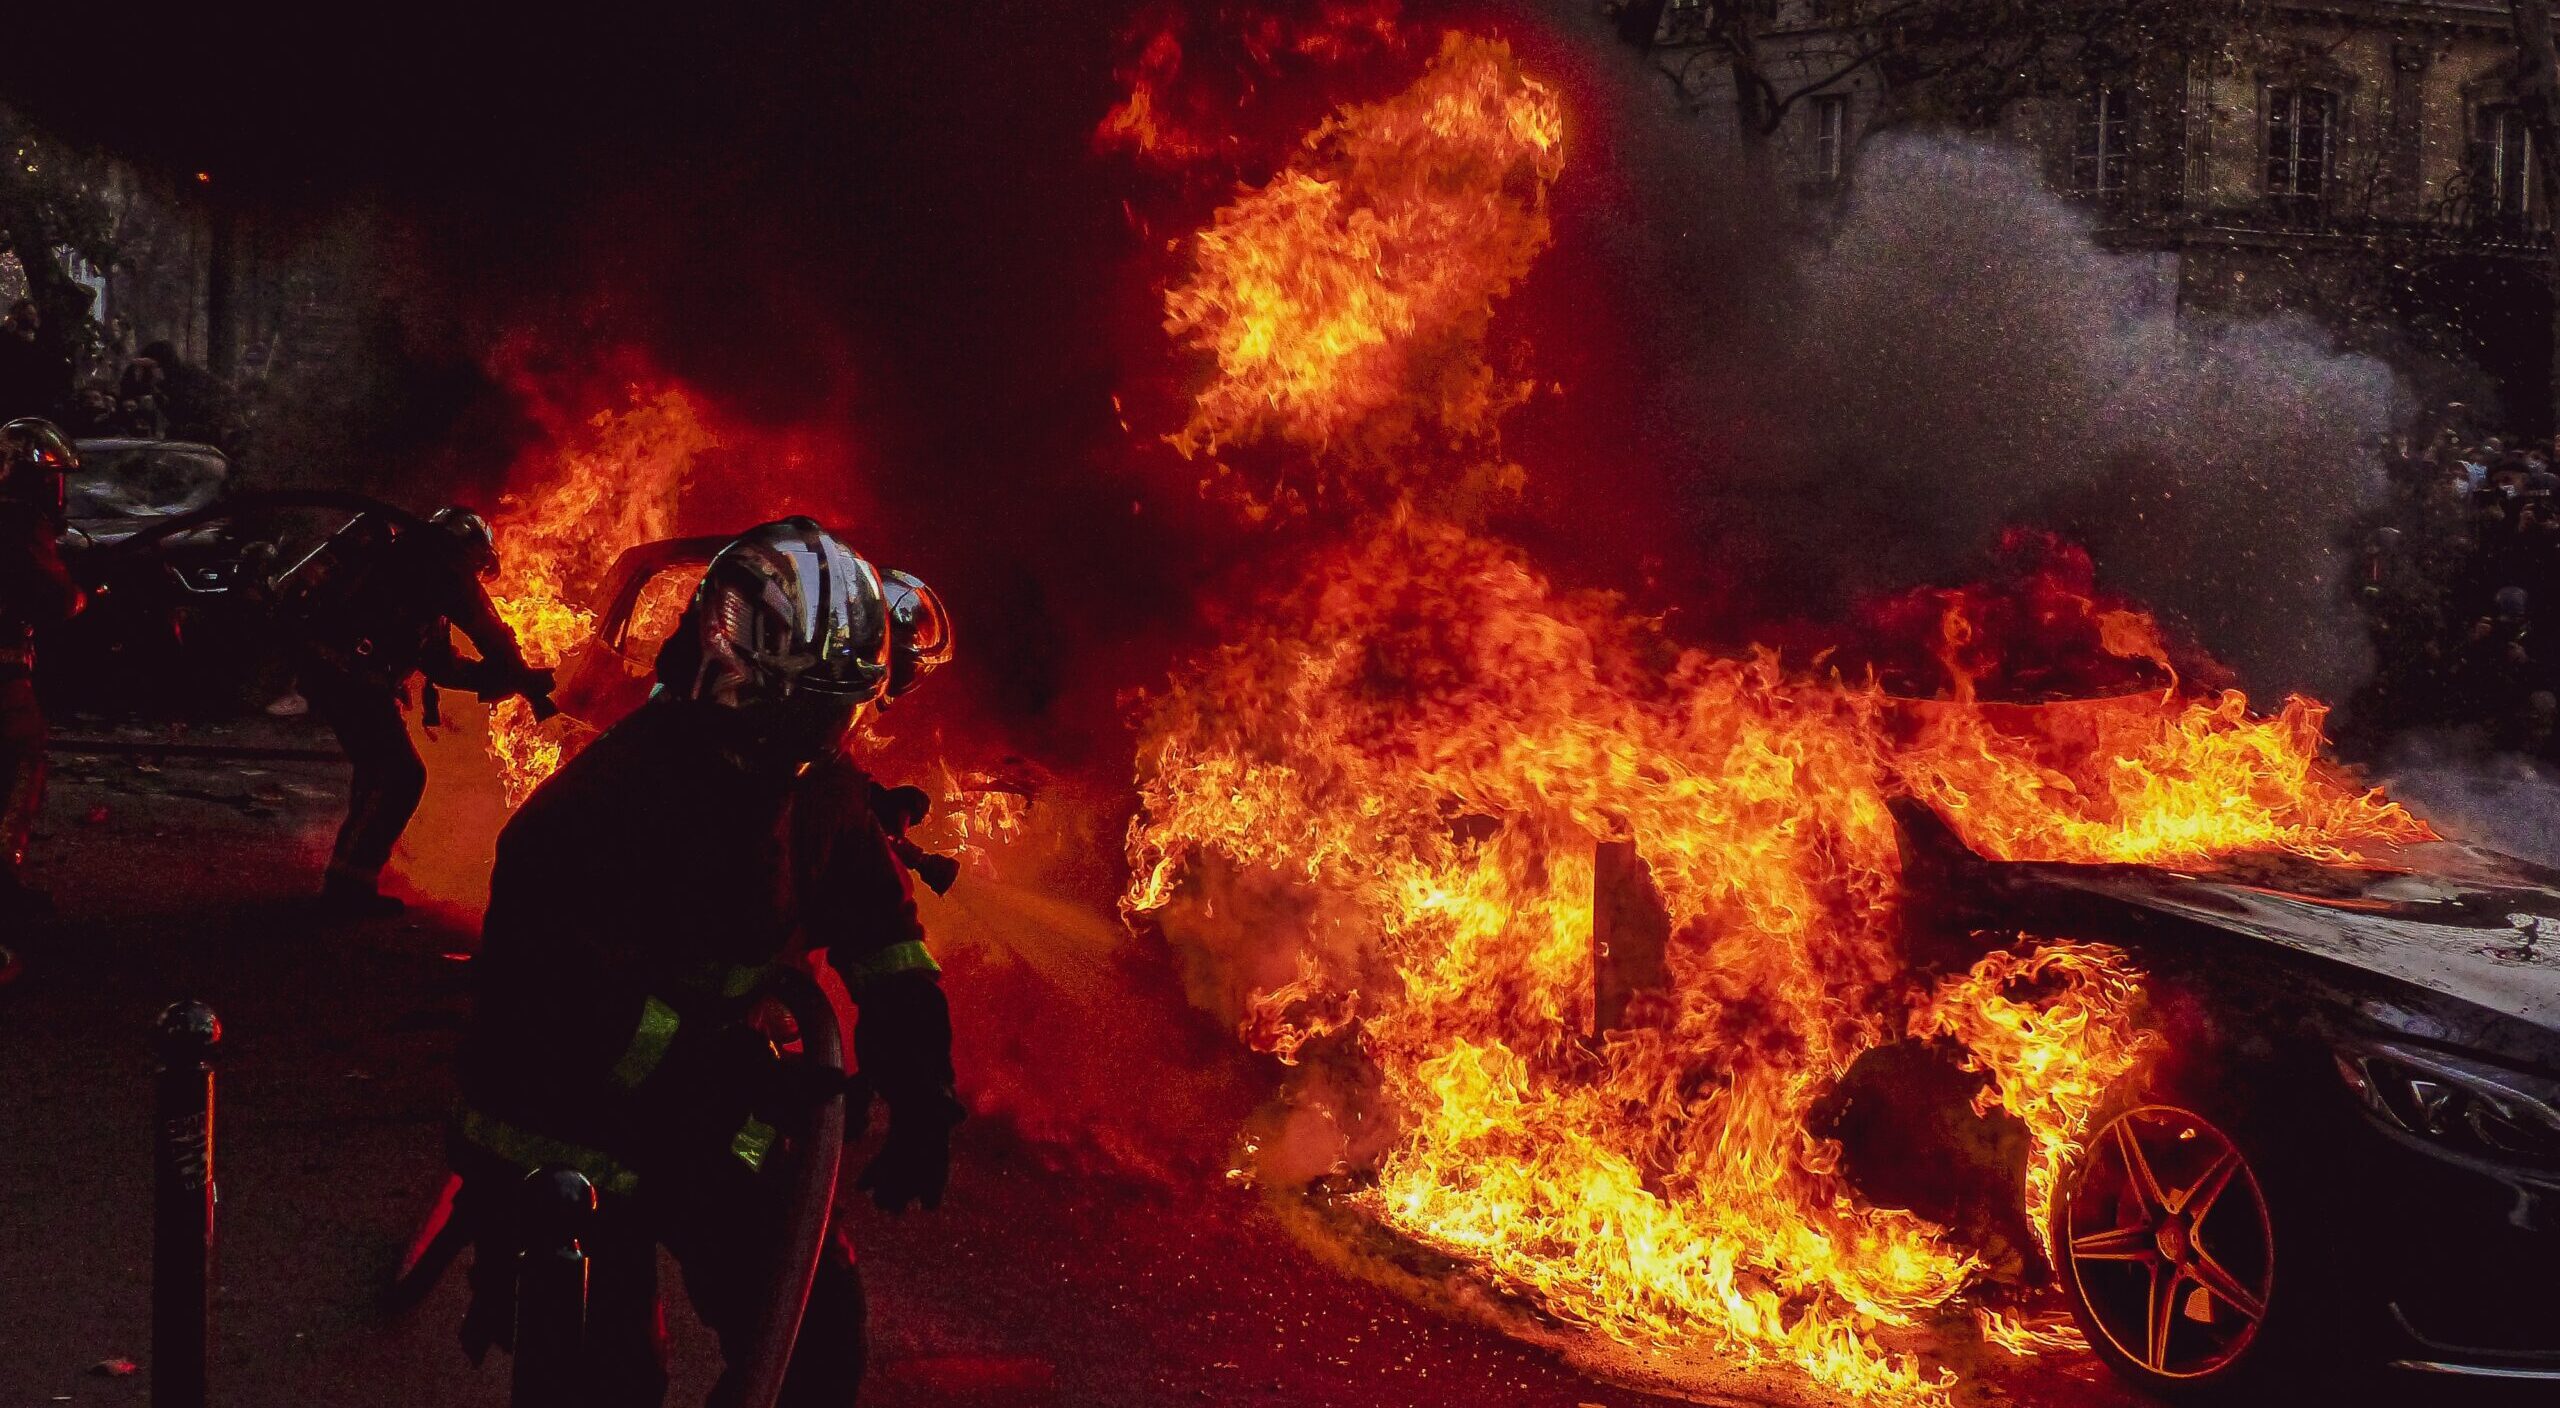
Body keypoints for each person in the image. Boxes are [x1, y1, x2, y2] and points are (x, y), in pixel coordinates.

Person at [450, 517, 961, 1406]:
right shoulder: (597, 811)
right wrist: (719, 1071)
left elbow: (883, 934)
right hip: (567, 1132)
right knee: (604, 1380)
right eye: (800, 706)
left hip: (711, 1113)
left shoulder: (817, 786)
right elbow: (569, 1011)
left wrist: (921, 1076)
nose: (816, 733)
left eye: (837, 711)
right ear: (731, 670)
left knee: (812, 1331)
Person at [281, 505, 552, 915]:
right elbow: (487, 627)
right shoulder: (440, 563)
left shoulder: (411, 566)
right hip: (349, 676)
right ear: (471, 551)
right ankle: (346, 890)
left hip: (337, 672)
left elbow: (440, 664)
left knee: (379, 772)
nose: (476, 576)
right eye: (479, 567)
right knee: (402, 775)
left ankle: (349, 879)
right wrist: (521, 675)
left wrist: (495, 680)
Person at [0, 419, 87, 918]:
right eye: (56, 480)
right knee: (21, 759)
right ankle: (1, 886)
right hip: (2, 677)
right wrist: (86, 595)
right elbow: (51, 598)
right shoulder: (18, 524)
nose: (62, 493)